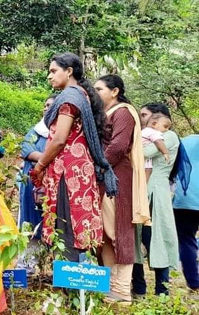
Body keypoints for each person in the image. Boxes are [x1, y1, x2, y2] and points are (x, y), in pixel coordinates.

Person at [31, 52, 117, 262]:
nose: (49, 76)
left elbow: (59, 139)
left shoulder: (70, 99)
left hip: (68, 171)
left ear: (69, 71)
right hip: (77, 168)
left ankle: (70, 290)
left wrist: (40, 166)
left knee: (66, 226)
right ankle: (75, 289)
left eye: (53, 71)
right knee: (73, 226)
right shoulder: (80, 95)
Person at [94, 74, 150, 304]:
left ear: (114, 91)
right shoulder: (105, 114)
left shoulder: (123, 112)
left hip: (117, 178)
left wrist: (96, 167)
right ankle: (109, 287)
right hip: (104, 176)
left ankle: (122, 290)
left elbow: (117, 147)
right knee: (106, 234)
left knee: (120, 233)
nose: (95, 93)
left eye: (99, 89)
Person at [132, 103, 181, 297]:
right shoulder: (145, 134)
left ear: (156, 118)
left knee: (156, 239)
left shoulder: (169, 136)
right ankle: (139, 288)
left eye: (144, 114)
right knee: (136, 239)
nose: (141, 117)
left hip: (157, 193)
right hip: (141, 191)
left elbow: (144, 153)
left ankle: (162, 291)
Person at [15, 94, 55, 275]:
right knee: (30, 222)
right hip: (32, 185)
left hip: (54, 185)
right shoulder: (36, 131)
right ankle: (28, 267)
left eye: (51, 106)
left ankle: (57, 269)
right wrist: (47, 158)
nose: (47, 108)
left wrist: (39, 157)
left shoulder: (65, 131)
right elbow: (25, 149)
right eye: (45, 105)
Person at [173, 133, 198, 291]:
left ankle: (194, 282)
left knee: (186, 239)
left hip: (184, 197)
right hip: (185, 198)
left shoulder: (185, 141)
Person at [142, 114, 171, 180]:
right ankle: (143, 186)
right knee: (148, 170)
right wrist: (165, 153)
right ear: (154, 124)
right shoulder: (154, 132)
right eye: (165, 127)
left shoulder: (144, 131)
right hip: (144, 158)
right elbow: (158, 142)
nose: (167, 130)